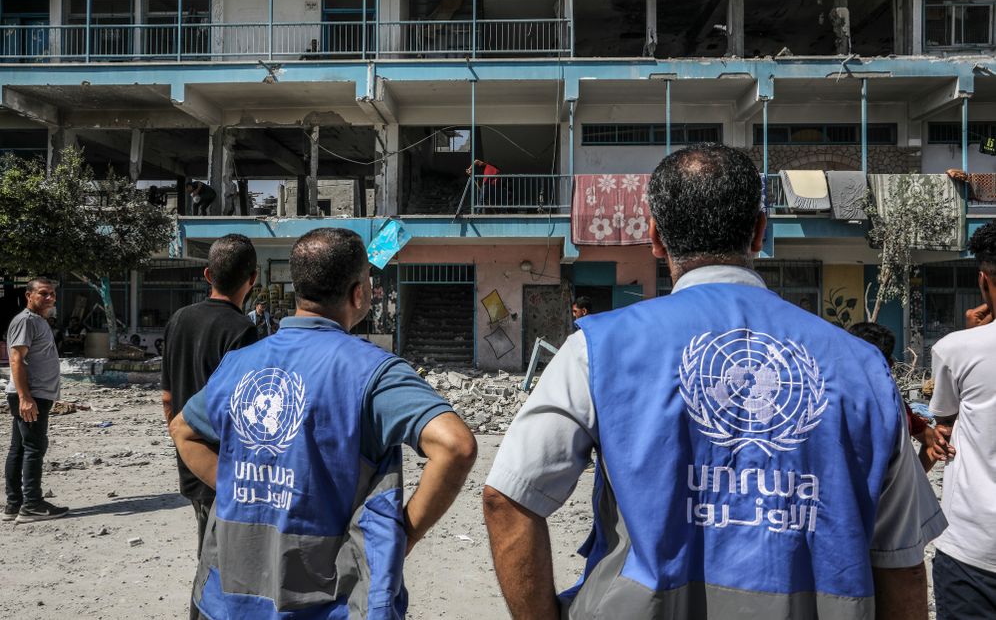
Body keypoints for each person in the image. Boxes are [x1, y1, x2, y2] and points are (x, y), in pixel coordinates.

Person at [483, 144, 945, 620]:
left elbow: (507, 499)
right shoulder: (864, 367)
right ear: (760, 231)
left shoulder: (597, 350)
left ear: (655, 237)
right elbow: (902, 564)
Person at [169, 227, 477, 619]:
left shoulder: (240, 364)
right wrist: (406, 534)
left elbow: (182, 429)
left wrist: (243, 489)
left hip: (231, 599)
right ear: (358, 293)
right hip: (331, 601)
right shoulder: (373, 372)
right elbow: (455, 445)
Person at [161, 233, 259, 620]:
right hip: (225, 468)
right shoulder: (242, 331)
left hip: (190, 457)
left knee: (209, 554)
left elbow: (167, 398)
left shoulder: (179, 319)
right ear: (252, 279)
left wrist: (183, 444)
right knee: (222, 564)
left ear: (207, 274)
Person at [929, 221, 996, 620]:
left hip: (973, 548)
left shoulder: (955, 349)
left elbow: (945, 421)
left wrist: (973, 335)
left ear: (983, 280)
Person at [847, 321, 954, 472]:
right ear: (889, 363)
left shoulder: (827, 404)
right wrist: (915, 479)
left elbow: (934, 441)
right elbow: (935, 441)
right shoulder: (897, 407)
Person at [4, 278, 69, 523]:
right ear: (29, 295)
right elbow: (16, 359)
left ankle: (14, 504)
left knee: (20, 448)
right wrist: (25, 397)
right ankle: (32, 504)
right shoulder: (26, 320)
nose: (50, 298)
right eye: (43, 293)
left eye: (52, 293)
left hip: (35, 395)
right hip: (32, 396)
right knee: (34, 448)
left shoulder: (38, 321)